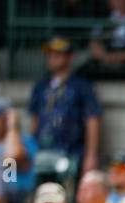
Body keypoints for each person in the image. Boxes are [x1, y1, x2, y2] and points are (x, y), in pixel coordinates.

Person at [27, 37, 101, 174]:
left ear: (70, 57)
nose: (52, 58)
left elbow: (92, 120)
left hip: (71, 152)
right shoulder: (40, 86)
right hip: (42, 151)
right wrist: (30, 149)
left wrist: (91, 155)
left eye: (57, 55)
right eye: (49, 55)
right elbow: (35, 121)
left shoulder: (82, 86)